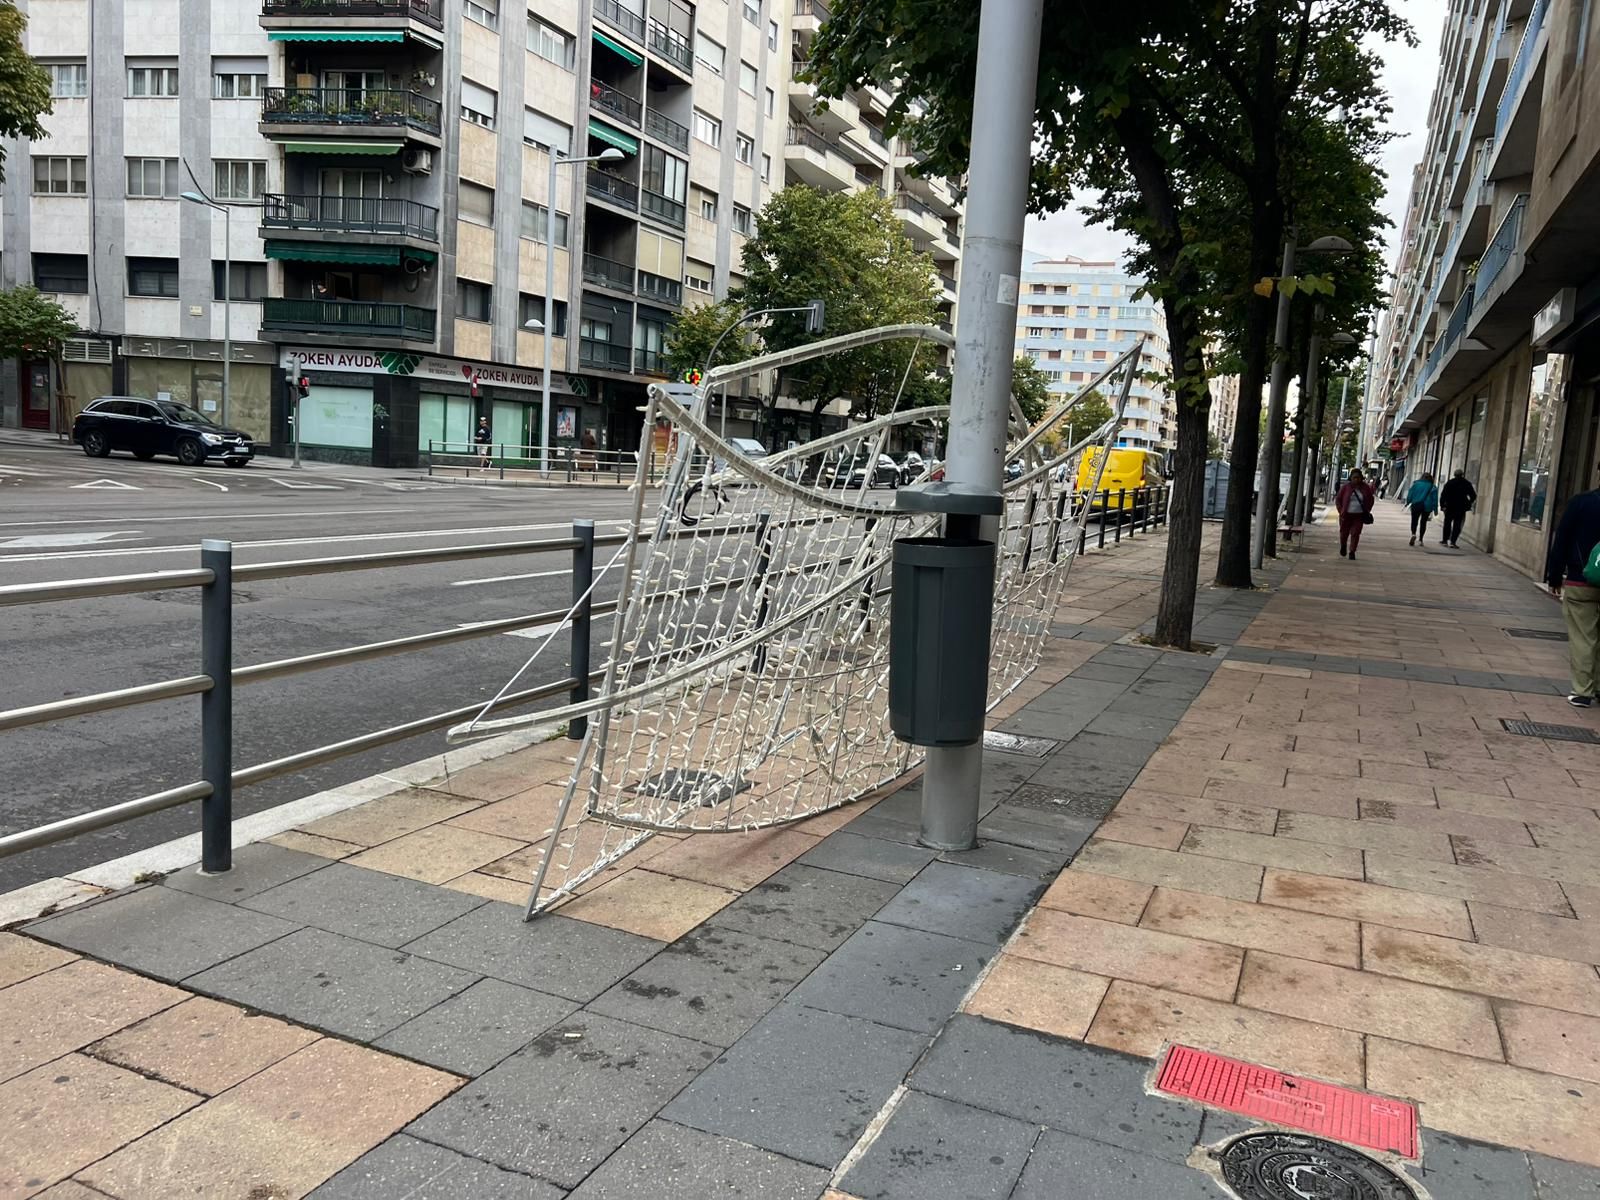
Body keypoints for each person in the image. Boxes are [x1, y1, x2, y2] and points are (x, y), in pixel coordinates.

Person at [1544, 483, 1600, 707]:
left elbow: (1562, 539)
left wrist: (1555, 576)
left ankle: (1582, 692)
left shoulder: (1581, 502)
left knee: (1583, 637)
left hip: (1581, 580)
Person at [1334, 468, 1376, 560]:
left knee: (1355, 533)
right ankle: (1343, 545)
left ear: (1361, 478)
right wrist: (1340, 510)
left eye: (1358, 477)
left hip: (1359, 515)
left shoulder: (1365, 488)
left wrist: (1367, 509)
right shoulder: (1346, 487)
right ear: (1351, 478)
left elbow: (1371, 499)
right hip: (1346, 515)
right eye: (1354, 477)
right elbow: (1338, 499)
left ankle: (1352, 551)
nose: (1356, 480)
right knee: (1344, 533)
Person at [1439, 469, 1477, 548]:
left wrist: (1442, 506)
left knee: (1447, 523)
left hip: (1450, 506)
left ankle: (1445, 540)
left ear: (1454, 474)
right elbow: (1473, 495)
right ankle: (1453, 542)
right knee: (1457, 524)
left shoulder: (1450, 483)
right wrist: (1468, 503)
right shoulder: (1466, 483)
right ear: (1462, 474)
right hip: (1461, 507)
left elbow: (1443, 495)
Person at [1405, 472, 1439, 546]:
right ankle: (1421, 539)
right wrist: (1435, 510)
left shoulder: (1416, 484)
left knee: (1414, 520)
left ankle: (1413, 534)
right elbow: (1435, 499)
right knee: (1423, 522)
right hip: (1427, 506)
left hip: (1416, 504)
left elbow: (1410, 494)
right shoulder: (1433, 487)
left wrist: (1408, 502)